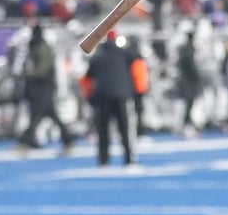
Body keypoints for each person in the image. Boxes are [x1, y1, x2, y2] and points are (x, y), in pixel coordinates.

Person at [81, 30, 139, 168]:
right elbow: (138, 67)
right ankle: (129, 160)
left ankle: (103, 160)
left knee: (103, 130)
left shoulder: (98, 56)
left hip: (102, 96)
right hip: (122, 96)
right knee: (125, 129)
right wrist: (137, 92)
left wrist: (90, 97)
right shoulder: (125, 54)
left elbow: (87, 77)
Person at [16, 24, 75, 155]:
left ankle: (24, 142)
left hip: (44, 88)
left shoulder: (43, 48)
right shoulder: (36, 47)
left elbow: (42, 70)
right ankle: (68, 141)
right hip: (39, 88)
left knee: (37, 116)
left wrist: (27, 74)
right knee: (49, 115)